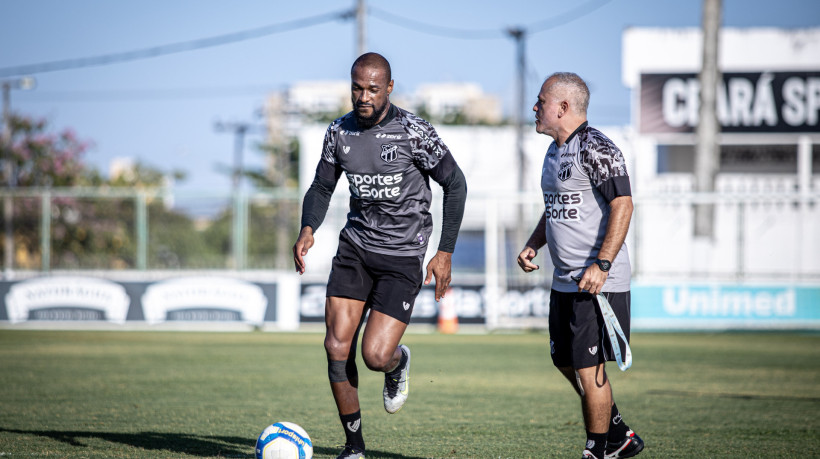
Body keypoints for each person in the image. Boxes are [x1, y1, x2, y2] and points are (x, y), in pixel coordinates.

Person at [292, 52, 467, 459]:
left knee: (375, 355)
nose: (363, 96)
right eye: (357, 87)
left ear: (389, 88)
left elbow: (455, 185)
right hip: (355, 248)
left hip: (403, 256)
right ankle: (354, 447)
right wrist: (307, 229)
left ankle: (398, 363)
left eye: (373, 88)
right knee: (336, 347)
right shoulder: (339, 132)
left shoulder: (414, 132)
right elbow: (321, 188)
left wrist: (444, 252)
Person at [517, 72, 644, 459]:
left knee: (590, 371)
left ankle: (596, 451)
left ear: (563, 107)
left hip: (598, 282)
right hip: (564, 281)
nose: (535, 108)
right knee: (565, 361)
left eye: (541, 101)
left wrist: (602, 264)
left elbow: (623, 204)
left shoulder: (597, 147)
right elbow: (556, 209)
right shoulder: (552, 152)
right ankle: (618, 433)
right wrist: (533, 243)